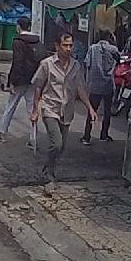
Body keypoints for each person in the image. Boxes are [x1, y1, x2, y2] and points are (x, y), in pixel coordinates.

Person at [30, 32, 97, 190]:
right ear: (57, 46)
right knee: (56, 143)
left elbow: (80, 88)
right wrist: (35, 110)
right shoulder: (47, 64)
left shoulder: (76, 66)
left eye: (70, 45)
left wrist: (90, 108)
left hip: (67, 111)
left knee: (62, 147)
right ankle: (49, 176)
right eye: (65, 45)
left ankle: (49, 168)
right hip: (50, 108)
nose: (68, 49)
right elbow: (38, 86)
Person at [0, 16, 41, 143]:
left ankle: (2, 132)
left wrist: (12, 82)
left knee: (11, 106)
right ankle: (33, 138)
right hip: (34, 79)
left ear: (18, 27)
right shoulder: (37, 41)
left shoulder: (18, 42)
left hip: (20, 80)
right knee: (32, 109)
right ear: (29, 27)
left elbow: (17, 63)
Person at [81, 30, 120, 145]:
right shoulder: (114, 49)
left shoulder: (92, 48)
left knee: (92, 111)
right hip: (108, 85)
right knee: (107, 112)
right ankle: (104, 135)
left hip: (95, 85)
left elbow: (87, 64)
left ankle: (87, 137)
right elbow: (120, 60)